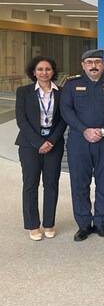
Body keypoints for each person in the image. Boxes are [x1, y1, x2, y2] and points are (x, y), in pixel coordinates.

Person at [60, 49, 104, 241]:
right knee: (80, 183)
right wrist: (84, 130)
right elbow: (66, 110)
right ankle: (83, 224)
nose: (94, 65)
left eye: (97, 62)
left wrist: (103, 131)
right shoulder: (72, 85)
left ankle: (100, 222)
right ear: (83, 65)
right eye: (89, 62)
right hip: (79, 141)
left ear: (103, 64)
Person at [15, 56, 66, 241]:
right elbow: (22, 120)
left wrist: (51, 141)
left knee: (51, 184)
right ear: (34, 72)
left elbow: (63, 120)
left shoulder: (61, 92)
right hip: (29, 145)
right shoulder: (24, 92)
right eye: (40, 69)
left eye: (48, 69)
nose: (44, 73)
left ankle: (49, 223)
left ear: (53, 72)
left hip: (54, 144)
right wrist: (39, 142)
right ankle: (33, 224)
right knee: (30, 185)